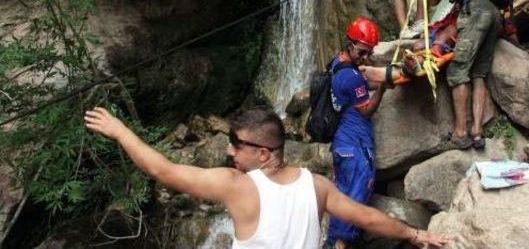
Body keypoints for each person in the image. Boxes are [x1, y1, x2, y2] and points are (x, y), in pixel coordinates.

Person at [84, 106, 448, 249]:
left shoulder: (237, 185)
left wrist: (119, 131)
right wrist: (416, 234)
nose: (229, 151)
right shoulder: (317, 185)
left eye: (235, 144)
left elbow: (161, 170)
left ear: (263, 154)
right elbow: (367, 218)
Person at [374, 0, 500, 150]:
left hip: (474, 11)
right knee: (478, 73)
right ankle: (477, 134)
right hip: (490, 12)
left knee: (457, 70)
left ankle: (460, 134)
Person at [326, 17, 387, 248]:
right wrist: (382, 88)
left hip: (341, 146)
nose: (365, 58)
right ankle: (338, 244)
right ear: (350, 44)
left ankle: (333, 242)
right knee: (354, 199)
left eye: (369, 53)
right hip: (355, 147)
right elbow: (366, 111)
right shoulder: (351, 77)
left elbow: (356, 88)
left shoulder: (337, 64)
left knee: (342, 197)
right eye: (362, 52)